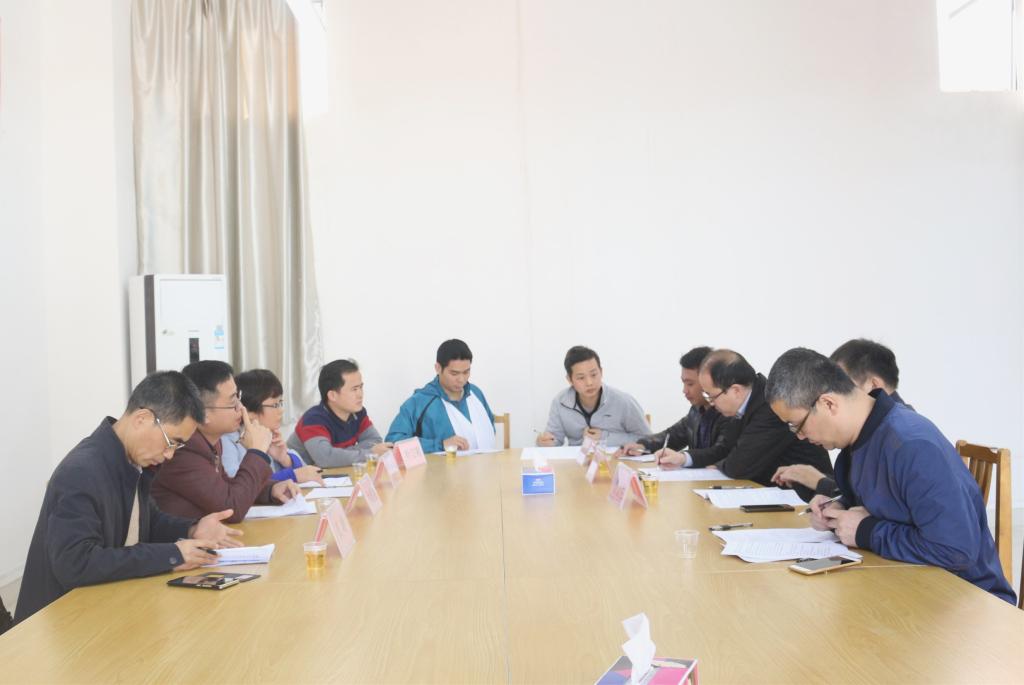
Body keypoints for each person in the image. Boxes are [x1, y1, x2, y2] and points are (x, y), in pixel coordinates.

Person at [766, 347, 1015, 604]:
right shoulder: (859, 441)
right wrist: (838, 508)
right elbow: (886, 506)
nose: (800, 436)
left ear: (828, 403)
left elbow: (955, 550)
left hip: (967, 601)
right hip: (910, 587)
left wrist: (866, 531)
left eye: (797, 425)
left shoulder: (912, 445)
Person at [15, 371, 244, 623]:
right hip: (59, 622)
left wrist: (192, 529)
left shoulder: (129, 460)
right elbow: (75, 563)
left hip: (103, 607)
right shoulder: (82, 471)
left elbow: (146, 521)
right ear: (142, 419)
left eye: (177, 446)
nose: (170, 455)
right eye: (171, 441)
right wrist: (171, 555)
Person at [152, 361, 300, 523]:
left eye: (238, 398)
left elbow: (227, 486)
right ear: (202, 413)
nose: (241, 408)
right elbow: (232, 507)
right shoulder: (183, 449)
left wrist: (271, 490)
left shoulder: (210, 440)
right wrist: (257, 453)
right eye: (232, 402)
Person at [673, 348, 832, 500]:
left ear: (735, 390)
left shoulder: (769, 406)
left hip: (809, 497)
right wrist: (685, 458)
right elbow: (724, 450)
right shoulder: (742, 404)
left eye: (712, 396)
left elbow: (739, 466)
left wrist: (720, 464)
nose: (711, 403)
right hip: (770, 492)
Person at [773, 338, 912, 495]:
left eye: (842, 381)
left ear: (874, 385)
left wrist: (820, 482)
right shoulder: (864, 433)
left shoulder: (903, 441)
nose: (836, 389)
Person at [622, 346, 739, 463]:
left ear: (708, 381)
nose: (685, 390)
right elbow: (673, 435)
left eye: (690, 384)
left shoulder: (729, 411)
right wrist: (643, 445)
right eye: (684, 383)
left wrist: (683, 458)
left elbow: (720, 452)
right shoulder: (696, 410)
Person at [386, 339, 497, 453]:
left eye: (466, 372)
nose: (461, 379)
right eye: (454, 373)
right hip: (440, 465)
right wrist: (440, 444)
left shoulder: (476, 393)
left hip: (487, 463)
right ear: (438, 368)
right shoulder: (420, 402)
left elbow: (490, 427)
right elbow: (393, 442)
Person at [221, 369, 324, 484]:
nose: (281, 410)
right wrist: (292, 476)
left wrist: (284, 459)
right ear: (249, 411)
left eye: (281, 403)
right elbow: (237, 484)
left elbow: (306, 473)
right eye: (275, 405)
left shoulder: (266, 434)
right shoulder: (227, 440)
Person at [537, 346, 649, 447]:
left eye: (594, 374)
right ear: (570, 380)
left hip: (615, 460)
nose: (589, 382)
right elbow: (554, 439)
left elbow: (648, 439)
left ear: (601, 372)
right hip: (577, 462)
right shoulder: (560, 402)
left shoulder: (624, 402)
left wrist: (605, 438)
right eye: (581, 378)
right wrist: (545, 442)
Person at [289, 359, 391, 467]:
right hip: (295, 475)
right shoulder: (313, 420)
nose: (360, 394)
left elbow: (375, 441)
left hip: (333, 473)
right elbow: (326, 459)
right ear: (332, 395)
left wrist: (340, 454)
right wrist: (369, 454)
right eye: (354, 389)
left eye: (361, 387)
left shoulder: (358, 413)